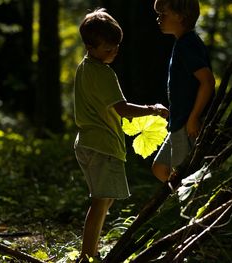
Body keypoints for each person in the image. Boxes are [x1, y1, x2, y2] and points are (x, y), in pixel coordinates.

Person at [73, 8, 169, 263]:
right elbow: (123, 109)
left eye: (116, 47)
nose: (113, 53)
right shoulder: (102, 74)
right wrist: (154, 110)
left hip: (89, 143)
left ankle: (90, 251)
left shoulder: (84, 68)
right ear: (90, 46)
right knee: (100, 201)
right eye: (107, 49)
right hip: (101, 146)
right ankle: (86, 256)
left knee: (105, 200)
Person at [152, 0, 215, 182]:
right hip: (179, 122)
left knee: (185, 178)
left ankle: (187, 208)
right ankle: (178, 201)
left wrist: (194, 118)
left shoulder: (187, 45)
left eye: (164, 14)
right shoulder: (183, 43)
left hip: (187, 125)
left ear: (180, 16)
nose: (159, 18)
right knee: (160, 168)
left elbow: (208, 81)